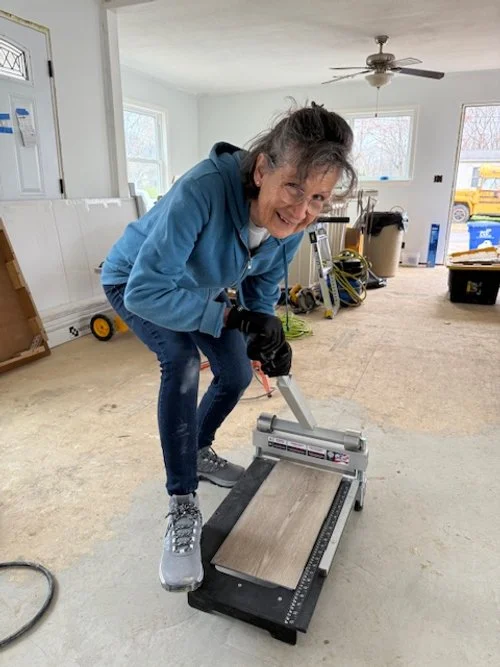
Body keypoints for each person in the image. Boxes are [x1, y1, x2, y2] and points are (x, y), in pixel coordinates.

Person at [100, 102, 356, 593]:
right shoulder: (203, 191)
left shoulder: (293, 224)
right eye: (293, 187)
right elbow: (145, 292)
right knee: (180, 362)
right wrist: (232, 317)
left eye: (319, 198)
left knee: (236, 372)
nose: (302, 210)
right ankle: (182, 503)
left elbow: (262, 284)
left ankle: (197, 449)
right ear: (261, 170)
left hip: (201, 287)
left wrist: (264, 328)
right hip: (137, 282)